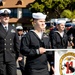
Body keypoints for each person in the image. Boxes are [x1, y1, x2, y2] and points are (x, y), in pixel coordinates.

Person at [0, 9, 20, 75]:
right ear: (0, 17)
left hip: (11, 56)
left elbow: (17, 43)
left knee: (13, 73)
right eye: (4, 15)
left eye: (7, 16)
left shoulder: (13, 29)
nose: (6, 17)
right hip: (1, 57)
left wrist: (19, 55)